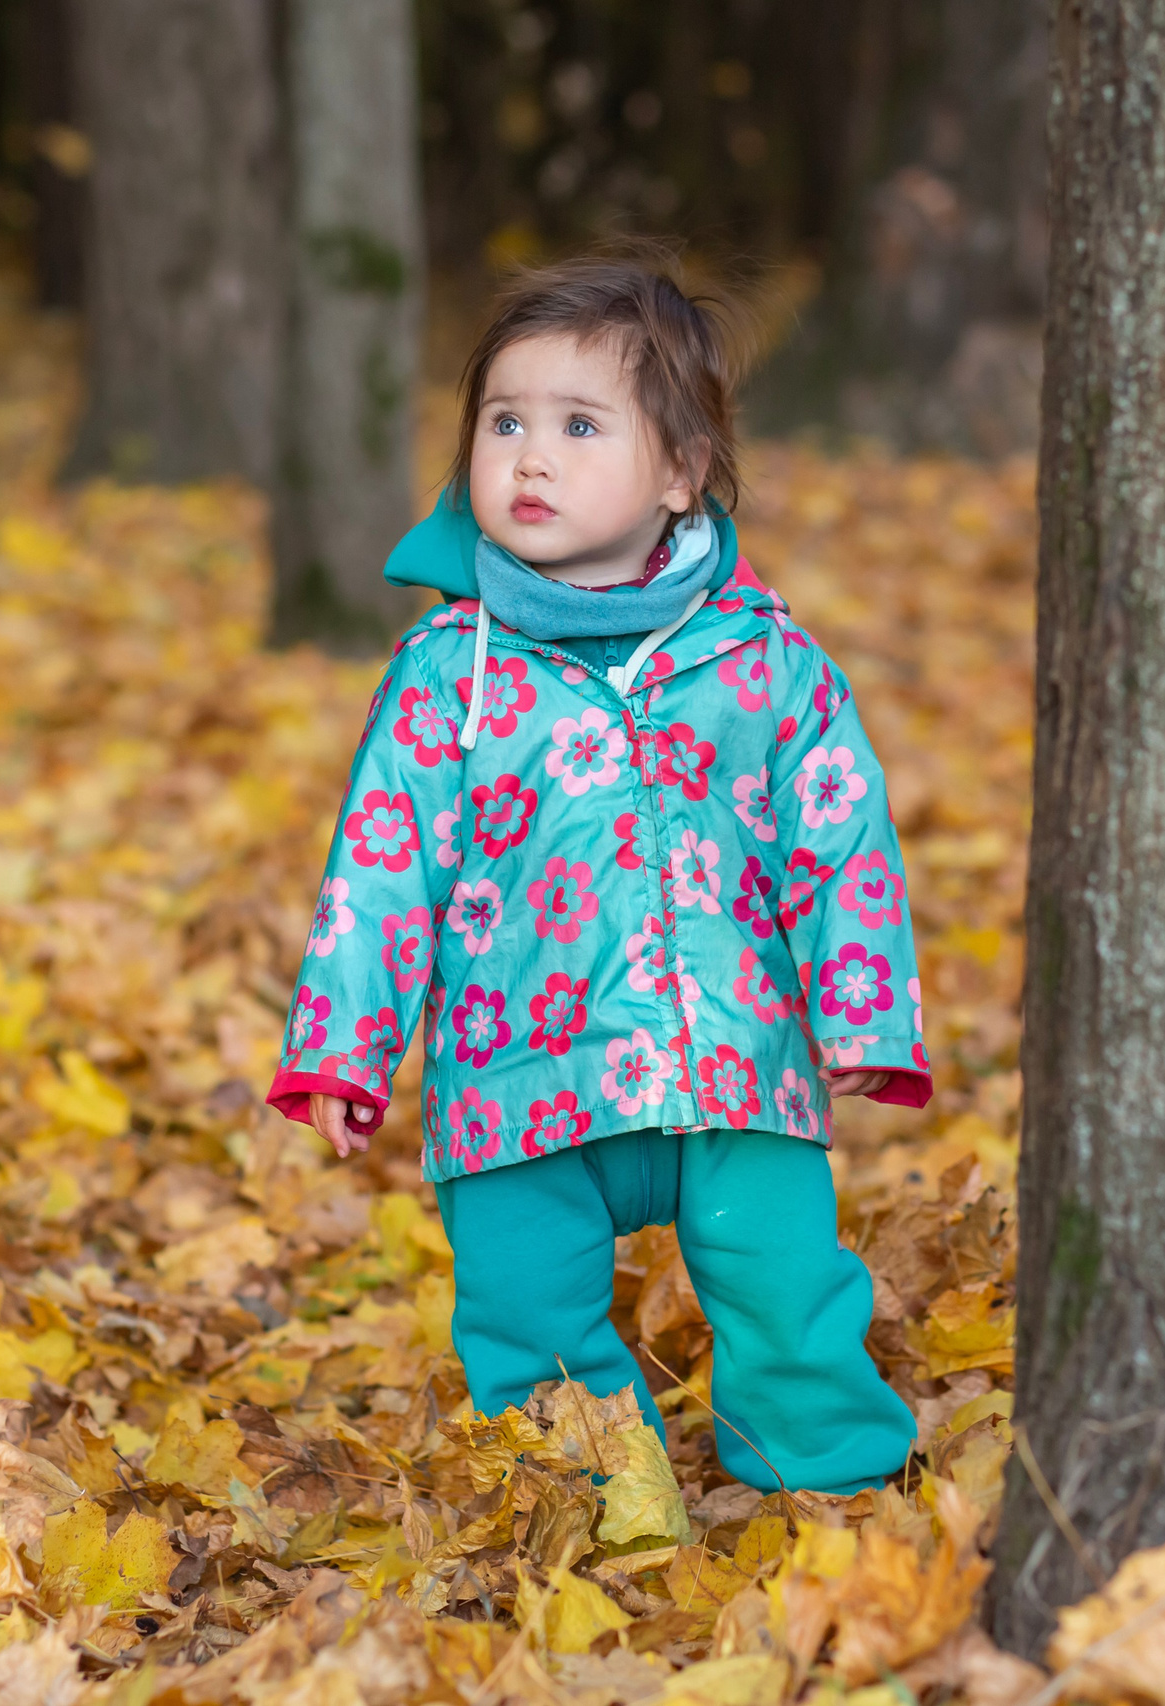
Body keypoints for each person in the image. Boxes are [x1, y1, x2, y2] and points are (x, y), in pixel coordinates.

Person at [265, 256, 929, 1494]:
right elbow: (381, 861)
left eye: (580, 427)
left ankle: (831, 1480)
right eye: (504, 421)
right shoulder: (446, 672)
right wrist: (344, 1048)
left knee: (786, 1286)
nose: (529, 457)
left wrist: (860, 1010)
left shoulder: (762, 659)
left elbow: (840, 837)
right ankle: (593, 1491)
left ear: (680, 471)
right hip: (518, 1073)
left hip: (736, 1057)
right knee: (525, 1313)